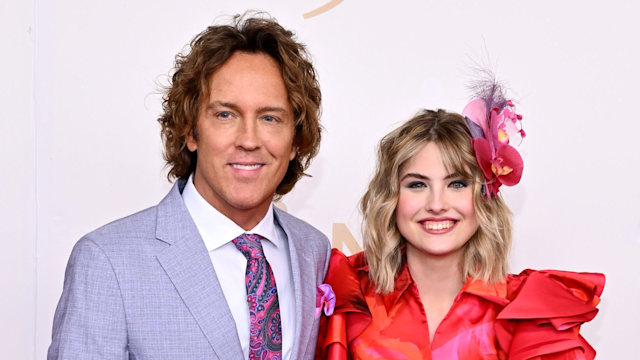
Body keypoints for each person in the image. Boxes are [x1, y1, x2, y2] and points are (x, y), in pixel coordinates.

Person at [49, 13, 331, 360]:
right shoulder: (108, 262)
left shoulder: (314, 252)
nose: (248, 140)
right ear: (190, 131)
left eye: (270, 118)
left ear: (295, 141)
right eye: (225, 115)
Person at [315, 84, 604, 359]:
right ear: (391, 197)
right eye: (417, 185)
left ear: (484, 195)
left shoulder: (526, 313)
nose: (437, 204)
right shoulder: (348, 297)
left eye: (457, 184)